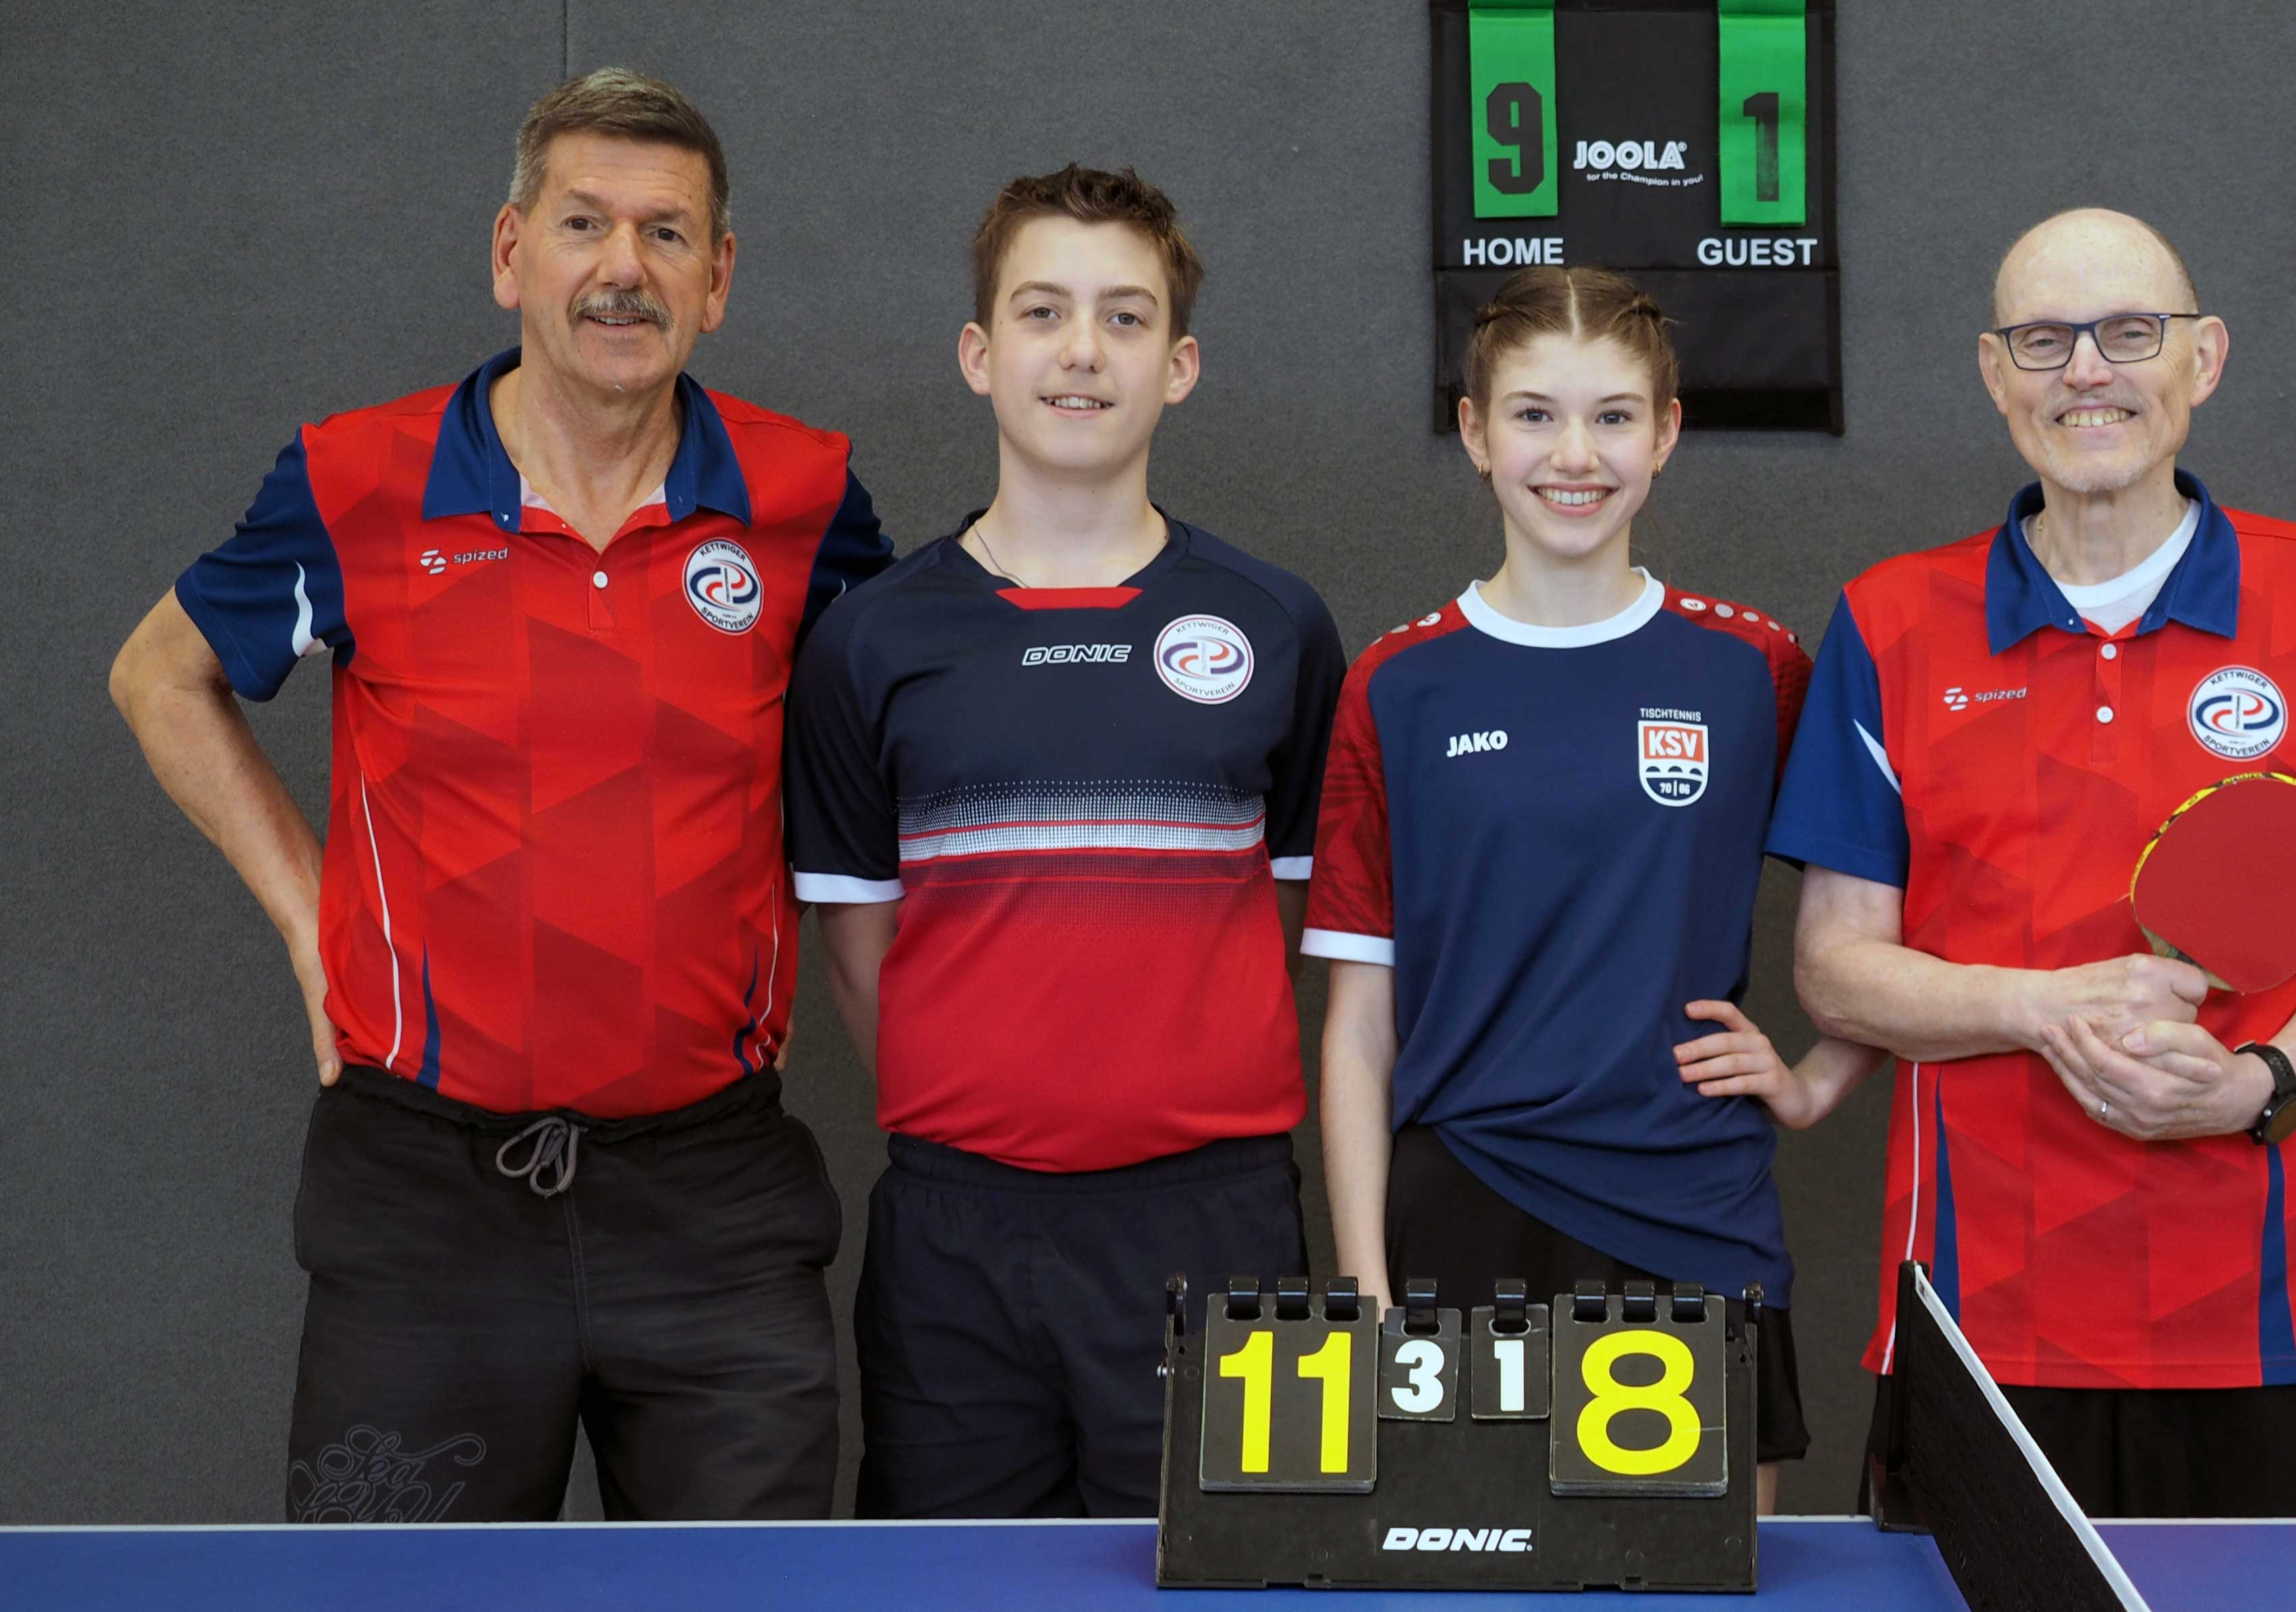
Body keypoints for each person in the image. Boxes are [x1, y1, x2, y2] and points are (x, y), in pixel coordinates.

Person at [104, 70, 892, 1522]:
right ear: (509, 252)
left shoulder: (807, 500)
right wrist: (314, 925)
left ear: (718, 279)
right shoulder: (358, 480)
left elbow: (898, 746)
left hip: (714, 1202)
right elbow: (159, 676)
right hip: (422, 1200)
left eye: (666, 234)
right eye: (583, 223)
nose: (622, 268)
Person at [1767, 208, 2296, 1518]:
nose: (2085, 370)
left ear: (2202, 358)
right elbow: (1835, 971)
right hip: (1980, 1319)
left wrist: (2259, 1084)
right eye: (2042, 340)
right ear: (1995, 374)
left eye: (2128, 333)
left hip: (2272, 1316)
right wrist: (2045, 1006)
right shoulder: (1890, 620)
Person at [784, 165, 1347, 1520]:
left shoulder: (1276, 624)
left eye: (1124, 317)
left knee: (1250, 1582)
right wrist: (1001, 1103)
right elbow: (860, 950)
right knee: (947, 1591)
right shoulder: (870, 640)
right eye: (1041, 312)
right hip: (954, 1235)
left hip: (1220, 1219)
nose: (1082, 350)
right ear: (978, 354)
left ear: (1179, 365)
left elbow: (1275, 921)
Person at [1305, 265, 1882, 1513]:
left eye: (1613, 416)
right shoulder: (1397, 685)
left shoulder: (1754, 668)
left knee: (1707, 1586)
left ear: (1665, 434)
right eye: (1535, 415)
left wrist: (1815, 1079)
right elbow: (1358, 1024)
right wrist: (1362, 1287)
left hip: (1691, 1205)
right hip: (1460, 1209)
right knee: (1463, 1585)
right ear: (1474, 432)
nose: (1575, 455)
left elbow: (1894, 908)